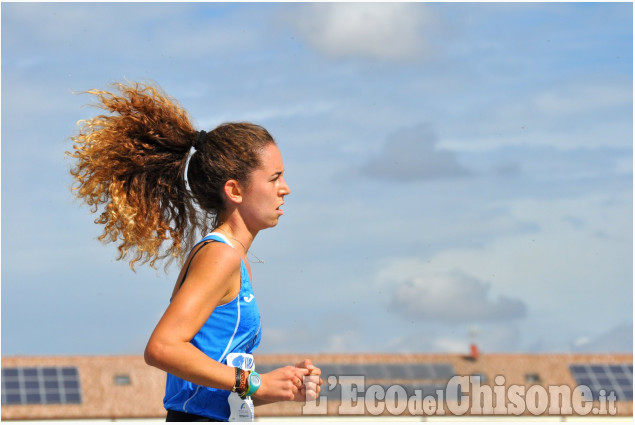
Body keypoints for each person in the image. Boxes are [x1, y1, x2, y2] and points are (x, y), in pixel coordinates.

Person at [68, 81, 322, 421]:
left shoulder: (233, 258)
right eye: (274, 178)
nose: (285, 189)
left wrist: (282, 386)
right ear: (235, 190)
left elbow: (212, 394)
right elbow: (162, 348)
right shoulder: (222, 255)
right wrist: (253, 382)